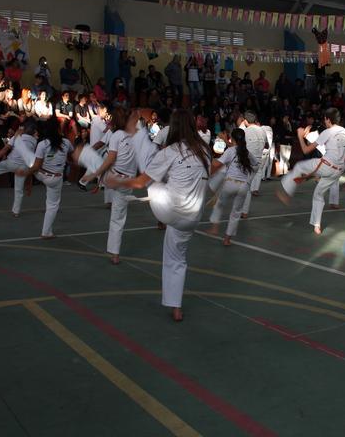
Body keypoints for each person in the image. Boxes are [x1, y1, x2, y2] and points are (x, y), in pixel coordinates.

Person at [105, 109, 210, 322]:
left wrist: (117, 181)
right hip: (192, 217)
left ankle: (138, 131)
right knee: (177, 259)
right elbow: (212, 169)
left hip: (169, 210)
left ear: (173, 128)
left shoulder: (170, 152)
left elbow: (140, 183)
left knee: (149, 165)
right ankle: (176, 308)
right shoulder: (205, 151)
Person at [277, 107, 345, 235]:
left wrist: (300, 136)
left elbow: (305, 150)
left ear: (328, 119)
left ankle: (286, 192)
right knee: (318, 194)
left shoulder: (328, 132)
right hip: (338, 170)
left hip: (327, 166)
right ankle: (317, 225)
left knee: (299, 167)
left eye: (325, 119)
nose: (325, 122)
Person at [81, 107, 137, 265]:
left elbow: (110, 159)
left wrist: (94, 175)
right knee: (118, 218)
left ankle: (81, 158)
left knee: (91, 157)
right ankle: (115, 254)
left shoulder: (116, 135)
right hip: (128, 182)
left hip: (114, 178)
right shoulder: (135, 136)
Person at [17, 118, 74, 239]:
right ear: (59, 129)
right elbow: (71, 156)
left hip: (41, 174)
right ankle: (46, 232)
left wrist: (26, 175)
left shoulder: (42, 144)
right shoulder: (66, 143)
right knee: (52, 206)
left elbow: (36, 166)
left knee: (29, 157)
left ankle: (18, 140)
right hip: (55, 178)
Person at [208, 128, 258, 245]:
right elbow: (255, 164)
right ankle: (227, 239)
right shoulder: (246, 152)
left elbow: (217, 164)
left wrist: (209, 160)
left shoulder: (230, 151)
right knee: (236, 212)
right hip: (243, 186)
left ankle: (214, 228)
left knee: (219, 204)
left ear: (232, 138)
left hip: (230, 183)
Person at [0, 121, 38, 217]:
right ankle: (16, 212)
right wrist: (29, 184)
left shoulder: (16, 137)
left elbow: (5, 149)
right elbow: (29, 157)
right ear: (34, 132)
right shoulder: (34, 141)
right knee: (18, 190)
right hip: (22, 167)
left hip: (10, 163)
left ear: (23, 129)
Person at [238, 111, 267, 218]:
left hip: (248, 161)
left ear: (245, 121)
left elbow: (238, 146)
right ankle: (243, 210)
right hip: (258, 160)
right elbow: (266, 145)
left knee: (244, 186)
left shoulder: (245, 131)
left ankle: (243, 211)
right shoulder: (262, 130)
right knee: (246, 186)